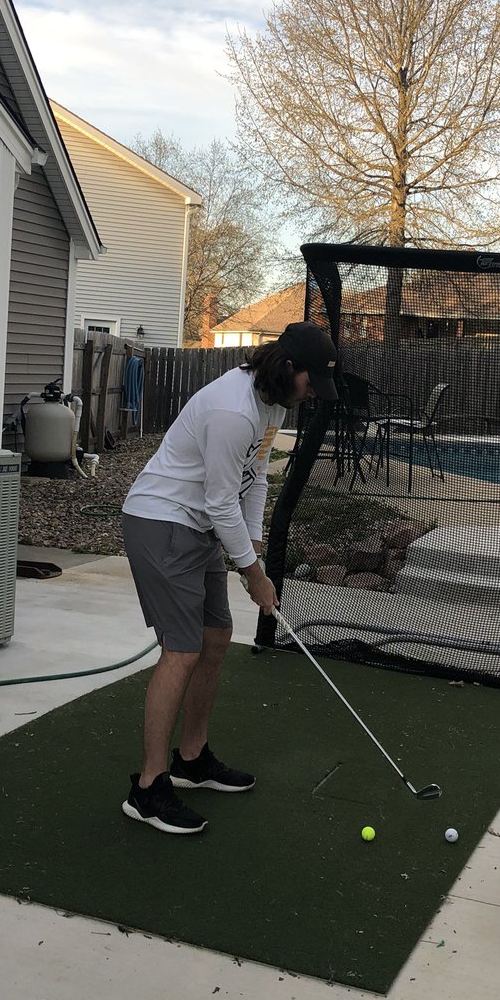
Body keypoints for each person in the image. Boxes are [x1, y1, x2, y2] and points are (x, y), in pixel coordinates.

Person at [120, 321, 339, 834]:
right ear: (289, 367)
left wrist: (253, 548)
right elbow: (221, 501)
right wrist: (253, 573)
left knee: (216, 637)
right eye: (311, 383)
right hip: (162, 521)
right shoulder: (232, 411)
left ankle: (191, 759)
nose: (312, 394)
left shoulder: (273, 404)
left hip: (198, 525)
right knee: (182, 649)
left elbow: (254, 478)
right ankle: (148, 789)